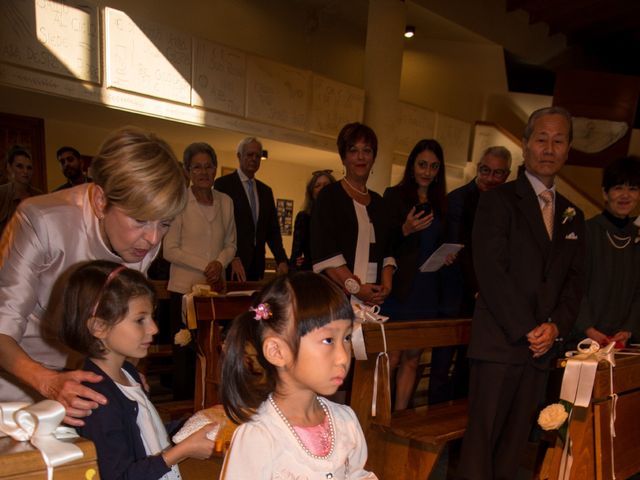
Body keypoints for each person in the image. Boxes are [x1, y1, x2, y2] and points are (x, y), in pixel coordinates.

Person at [0, 127, 187, 426]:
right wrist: (49, 383)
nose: (153, 239)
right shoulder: (41, 220)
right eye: (139, 219)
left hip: (86, 380)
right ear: (101, 200)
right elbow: (2, 329)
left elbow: (121, 318)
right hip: (16, 377)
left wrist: (126, 366)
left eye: (164, 223)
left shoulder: (142, 242)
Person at [456, 106, 586, 480]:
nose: (549, 148)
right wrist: (528, 327)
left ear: (568, 149)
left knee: (515, 448)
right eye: (541, 139)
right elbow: (491, 272)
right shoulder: (498, 201)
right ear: (526, 145)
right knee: (481, 446)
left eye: (558, 140)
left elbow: (576, 281)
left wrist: (556, 327)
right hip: (501, 342)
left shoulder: (573, 215)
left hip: (541, 348)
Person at [60, 261, 215, 480]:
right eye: (140, 320)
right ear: (99, 327)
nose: (154, 328)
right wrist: (180, 452)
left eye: (151, 317)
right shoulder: (97, 400)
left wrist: (190, 425)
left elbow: (146, 435)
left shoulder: (128, 374)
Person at [219, 272, 377, 479]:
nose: (343, 357)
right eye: (328, 340)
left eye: (347, 337)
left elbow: (357, 474)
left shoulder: (345, 421)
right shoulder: (260, 437)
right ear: (277, 351)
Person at [436, 146, 512, 403]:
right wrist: (478, 289)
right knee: (442, 363)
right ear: (478, 168)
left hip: (487, 296)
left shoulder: (507, 204)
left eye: (498, 173)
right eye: (485, 171)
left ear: (507, 175)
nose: (490, 178)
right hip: (456, 291)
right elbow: (460, 249)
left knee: (471, 364)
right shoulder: (459, 198)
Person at [163, 142, 236, 399]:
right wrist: (207, 265)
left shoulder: (226, 202)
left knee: (216, 353)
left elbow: (230, 243)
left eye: (208, 166)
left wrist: (220, 263)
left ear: (215, 169)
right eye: (197, 167)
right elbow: (169, 250)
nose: (203, 172)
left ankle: (213, 405)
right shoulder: (179, 200)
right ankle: (183, 411)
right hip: (184, 292)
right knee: (186, 357)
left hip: (215, 293)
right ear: (188, 171)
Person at [381, 139, 448, 410]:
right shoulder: (393, 195)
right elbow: (383, 243)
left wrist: (448, 254)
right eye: (422, 164)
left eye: (433, 166)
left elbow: (439, 241)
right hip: (400, 288)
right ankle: (380, 415)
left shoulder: (440, 202)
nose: (427, 171)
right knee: (392, 358)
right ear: (412, 166)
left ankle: (399, 416)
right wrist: (405, 230)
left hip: (428, 288)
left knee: (412, 358)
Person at [311, 122, 394, 306]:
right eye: (353, 150)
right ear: (343, 157)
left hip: (372, 302)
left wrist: (386, 287)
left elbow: (388, 250)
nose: (361, 157)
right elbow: (325, 252)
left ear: (373, 158)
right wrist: (357, 289)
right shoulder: (329, 196)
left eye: (367, 150)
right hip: (336, 299)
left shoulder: (380, 203)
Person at [570, 156, 640, 347]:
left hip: (624, 342)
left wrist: (628, 329)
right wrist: (587, 328)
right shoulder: (587, 231)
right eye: (618, 188)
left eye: (633, 189)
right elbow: (573, 285)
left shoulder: (637, 235)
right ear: (605, 193)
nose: (625, 195)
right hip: (583, 339)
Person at [214, 137, 288, 281]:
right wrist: (232, 258)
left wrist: (282, 260)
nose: (254, 159)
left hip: (257, 266)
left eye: (257, 156)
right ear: (239, 156)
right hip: (233, 265)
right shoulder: (224, 185)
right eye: (249, 154)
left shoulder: (266, 191)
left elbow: (272, 231)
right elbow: (219, 226)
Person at [289, 169, 336, 271]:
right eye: (317, 185)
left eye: (326, 184)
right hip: (311, 273)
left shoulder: (340, 216)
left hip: (337, 272)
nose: (322, 188)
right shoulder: (304, 217)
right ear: (312, 192)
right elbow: (296, 253)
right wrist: (295, 263)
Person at [0, 145, 42, 236]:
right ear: (9, 167)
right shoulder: (2, 194)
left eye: (29, 168)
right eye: (19, 166)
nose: (25, 171)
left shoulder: (39, 196)